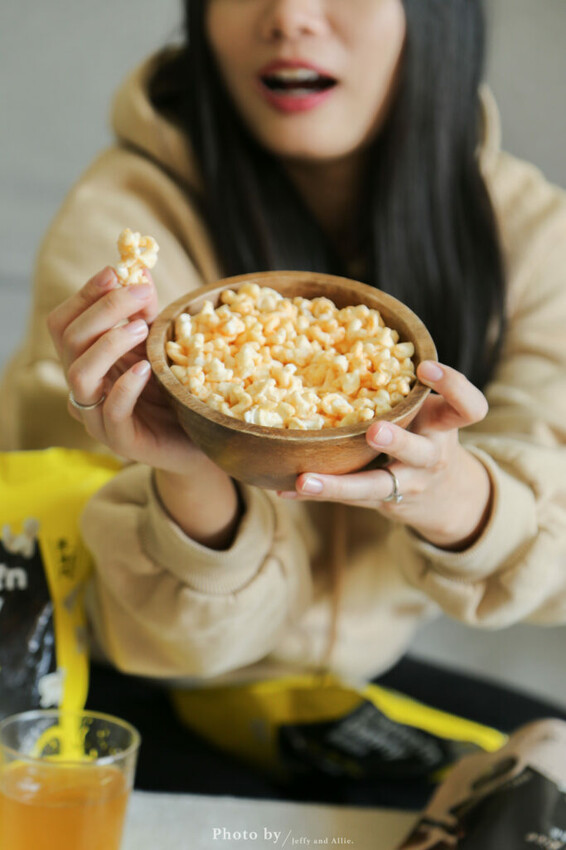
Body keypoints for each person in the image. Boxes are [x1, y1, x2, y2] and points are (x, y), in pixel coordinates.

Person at [2, 0, 566, 807]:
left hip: (339, 690)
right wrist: (188, 470)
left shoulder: (531, 232)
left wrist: (448, 488)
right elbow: (134, 626)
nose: (291, 14)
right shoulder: (123, 227)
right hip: (118, 681)